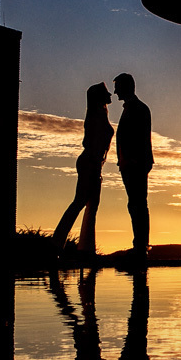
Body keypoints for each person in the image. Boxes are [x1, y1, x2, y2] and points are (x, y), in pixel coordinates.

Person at [53, 82, 114, 256]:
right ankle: (57, 245)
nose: (110, 96)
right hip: (90, 163)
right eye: (106, 93)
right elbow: (89, 142)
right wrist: (95, 164)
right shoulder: (96, 116)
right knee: (80, 202)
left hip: (94, 164)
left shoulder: (101, 114)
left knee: (91, 205)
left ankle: (85, 248)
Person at [113, 73, 153, 259]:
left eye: (118, 87)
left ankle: (141, 246)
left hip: (135, 164)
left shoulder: (139, 109)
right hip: (128, 164)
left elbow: (141, 137)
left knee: (138, 204)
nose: (115, 92)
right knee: (134, 204)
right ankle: (139, 245)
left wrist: (135, 160)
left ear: (126, 87)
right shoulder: (132, 108)